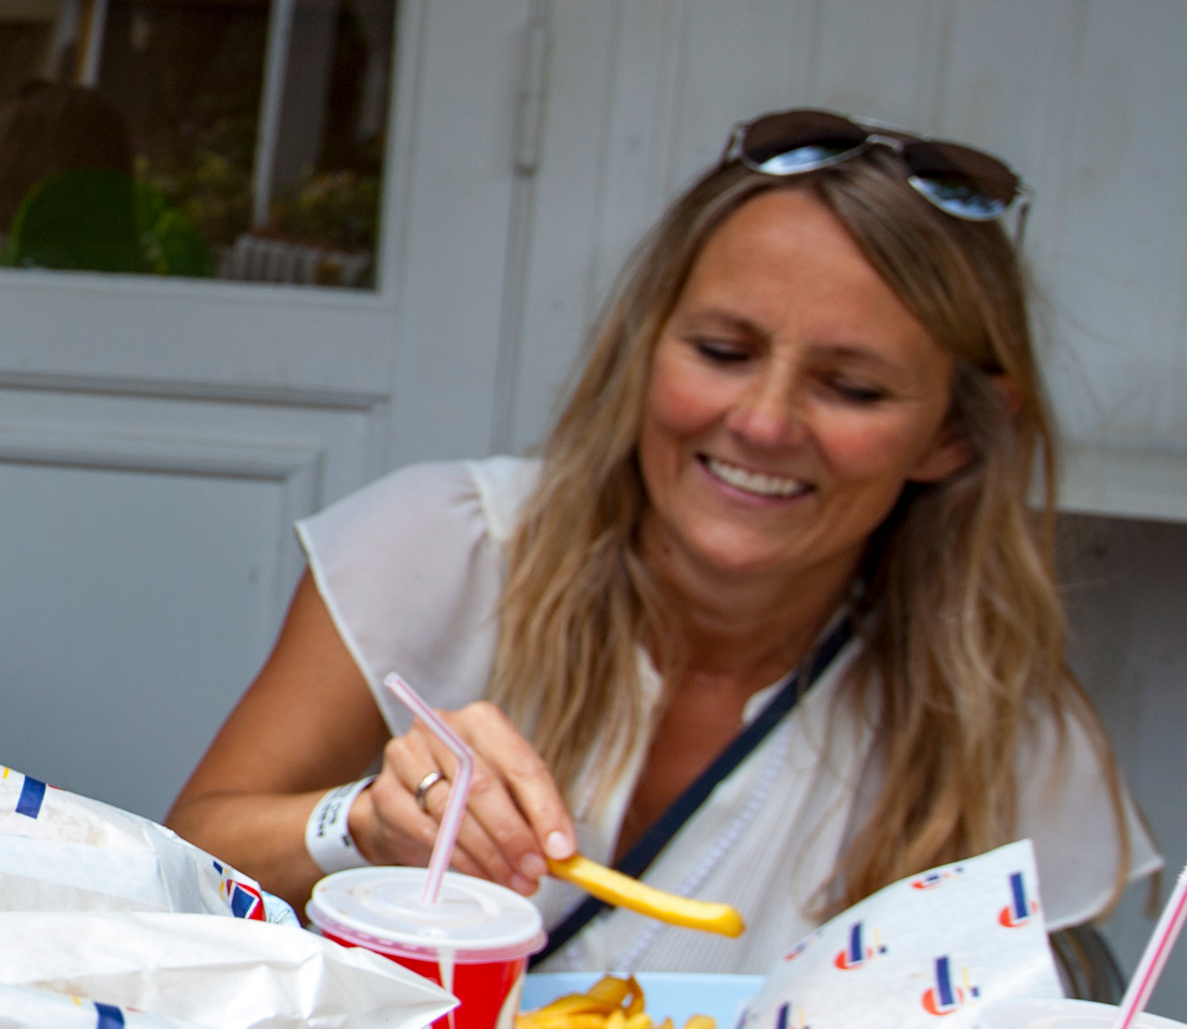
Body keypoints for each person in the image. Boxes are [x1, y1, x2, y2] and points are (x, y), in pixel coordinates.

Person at [169, 112, 1145, 975]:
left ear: (953, 434)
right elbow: (188, 857)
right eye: (722, 353)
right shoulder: (443, 544)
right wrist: (358, 824)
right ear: (645, 345)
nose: (763, 422)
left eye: (851, 388)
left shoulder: (998, 725)